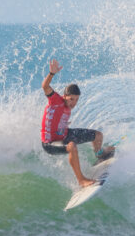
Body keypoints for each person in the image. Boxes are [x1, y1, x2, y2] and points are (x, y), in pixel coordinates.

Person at [40, 59, 114, 187]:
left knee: (98, 135)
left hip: (63, 134)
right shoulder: (56, 100)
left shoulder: (68, 107)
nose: (73, 103)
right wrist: (51, 74)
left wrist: (62, 125)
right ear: (64, 96)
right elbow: (45, 87)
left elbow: (56, 119)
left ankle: (99, 154)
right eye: (71, 99)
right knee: (72, 146)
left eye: (76, 100)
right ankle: (82, 180)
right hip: (50, 142)